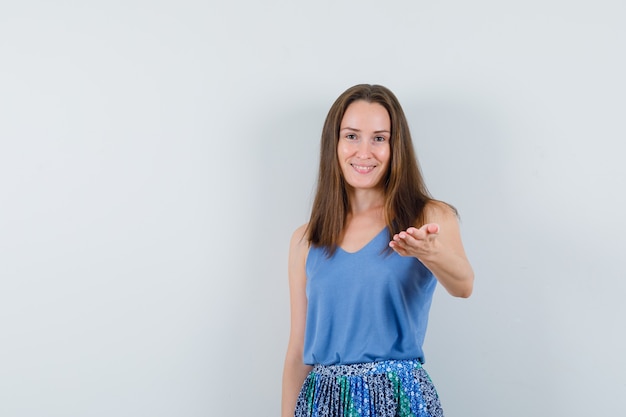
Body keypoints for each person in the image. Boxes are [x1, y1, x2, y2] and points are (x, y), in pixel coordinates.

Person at [281, 84, 474, 417]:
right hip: (324, 401)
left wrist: (429, 252)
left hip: (400, 397)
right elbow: (298, 349)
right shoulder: (306, 239)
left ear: (395, 145)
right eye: (352, 136)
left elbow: (463, 285)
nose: (364, 151)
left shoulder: (428, 216)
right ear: (335, 143)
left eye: (379, 138)